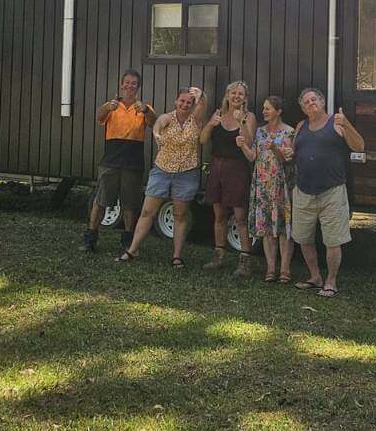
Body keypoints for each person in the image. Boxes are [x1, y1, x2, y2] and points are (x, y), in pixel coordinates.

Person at [280, 88, 365, 298]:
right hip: (303, 191)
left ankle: (331, 281)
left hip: (332, 192)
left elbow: (359, 146)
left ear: (322, 101)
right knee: (303, 238)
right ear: (303, 108)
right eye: (306, 102)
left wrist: (346, 124)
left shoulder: (336, 122)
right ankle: (315, 276)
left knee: (333, 241)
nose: (310, 103)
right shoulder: (301, 126)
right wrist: (289, 153)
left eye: (313, 99)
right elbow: (292, 153)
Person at [116, 86, 208, 267]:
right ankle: (132, 250)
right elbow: (157, 125)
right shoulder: (167, 118)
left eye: (189, 102)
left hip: (187, 173)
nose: (185, 105)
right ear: (176, 101)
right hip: (162, 171)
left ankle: (177, 256)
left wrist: (201, 96)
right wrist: (157, 134)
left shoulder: (196, 120)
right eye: (182, 101)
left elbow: (203, 106)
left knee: (180, 215)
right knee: (147, 212)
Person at [84, 69, 155, 253]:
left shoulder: (144, 107)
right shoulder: (112, 105)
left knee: (129, 204)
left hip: (133, 163)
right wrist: (108, 107)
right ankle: (90, 238)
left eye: (134, 83)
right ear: (122, 85)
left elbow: (154, 123)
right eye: (127, 82)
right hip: (110, 161)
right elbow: (99, 116)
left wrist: (146, 110)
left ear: (138, 87)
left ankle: (127, 241)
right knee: (100, 201)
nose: (130, 86)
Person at [200, 80, 256, 278]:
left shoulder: (249, 116)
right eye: (233, 93)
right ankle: (219, 257)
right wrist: (211, 124)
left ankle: (245, 261)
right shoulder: (218, 114)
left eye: (240, 94)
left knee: (240, 217)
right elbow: (203, 139)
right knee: (219, 215)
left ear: (245, 98)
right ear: (227, 95)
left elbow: (249, 141)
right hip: (217, 167)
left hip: (237, 168)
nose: (236, 96)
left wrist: (241, 123)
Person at [241, 95, 295, 283]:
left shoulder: (289, 132)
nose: (263, 111)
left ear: (278, 111)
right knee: (266, 229)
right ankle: (271, 269)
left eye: (268, 108)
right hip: (262, 186)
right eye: (264, 108)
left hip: (281, 186)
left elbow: (287, 160)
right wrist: (242, 145)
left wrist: (274, 148)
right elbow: (252, 157)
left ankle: (285, 270)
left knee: (283, 229)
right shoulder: (260, 132)